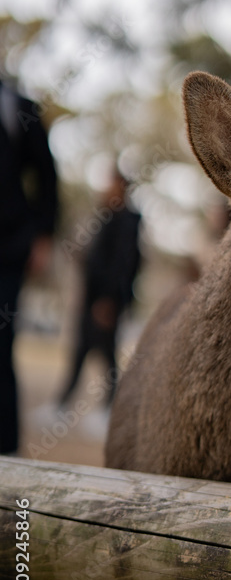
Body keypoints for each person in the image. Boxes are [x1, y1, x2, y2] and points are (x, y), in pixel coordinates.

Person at [0, 76, 58, 455]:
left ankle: (6, 450)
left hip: (7, 249)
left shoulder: (18, 107)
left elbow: (47, 176)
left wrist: (42, 236)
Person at [58, 169, 141, 409]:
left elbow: (123, 265)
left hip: (105, 300)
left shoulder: (127, 221)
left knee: (106, 354)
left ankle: (107, 407)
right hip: (91, 297)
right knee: (81, 350)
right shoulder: (106, 216)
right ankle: (65, 402)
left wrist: (109, 300)